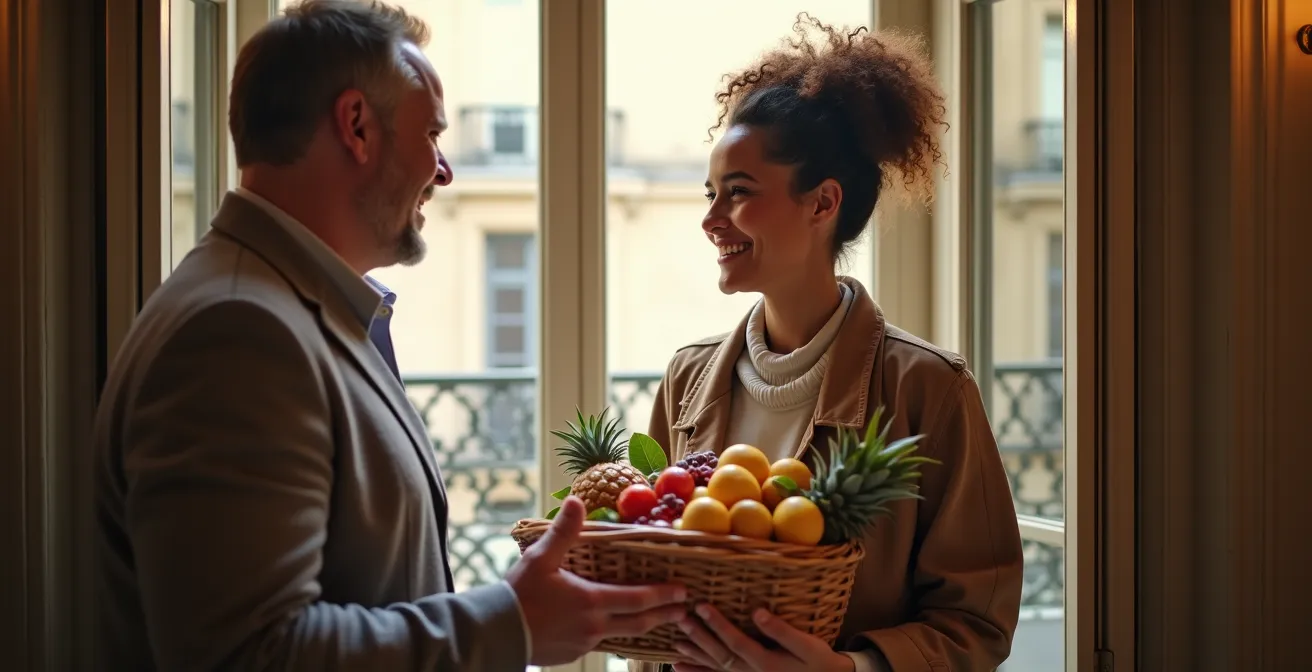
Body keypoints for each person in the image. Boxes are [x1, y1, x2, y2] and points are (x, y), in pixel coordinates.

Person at [90, 1, 686, 670]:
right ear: (356, 127)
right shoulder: (237, 334)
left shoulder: (283, 309)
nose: (443, 170)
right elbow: (247, 655)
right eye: (432, 133)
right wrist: (508, 625)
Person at [635, 15, 1024, 672]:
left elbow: (976, 624)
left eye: (739, 194)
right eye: (711, 194)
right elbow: (651, 580)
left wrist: (850, 670)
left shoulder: (927, 389)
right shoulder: (686, 379)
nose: (710, 220)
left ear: (822, 204)